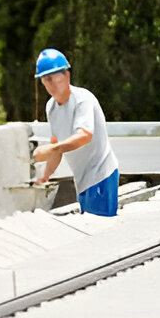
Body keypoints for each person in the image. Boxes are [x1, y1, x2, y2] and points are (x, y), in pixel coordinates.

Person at [32, 48, 120, 217]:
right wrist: (45, 176)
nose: (50, 84)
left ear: (66, 75)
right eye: (45, 79)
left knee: (100, 231)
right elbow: (56, 145)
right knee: (91, 228)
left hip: (102, 174)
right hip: (82, 180)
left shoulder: (82, 99)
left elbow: (84, 135)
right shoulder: (51, 108)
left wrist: (53, 149)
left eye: (53, 77)